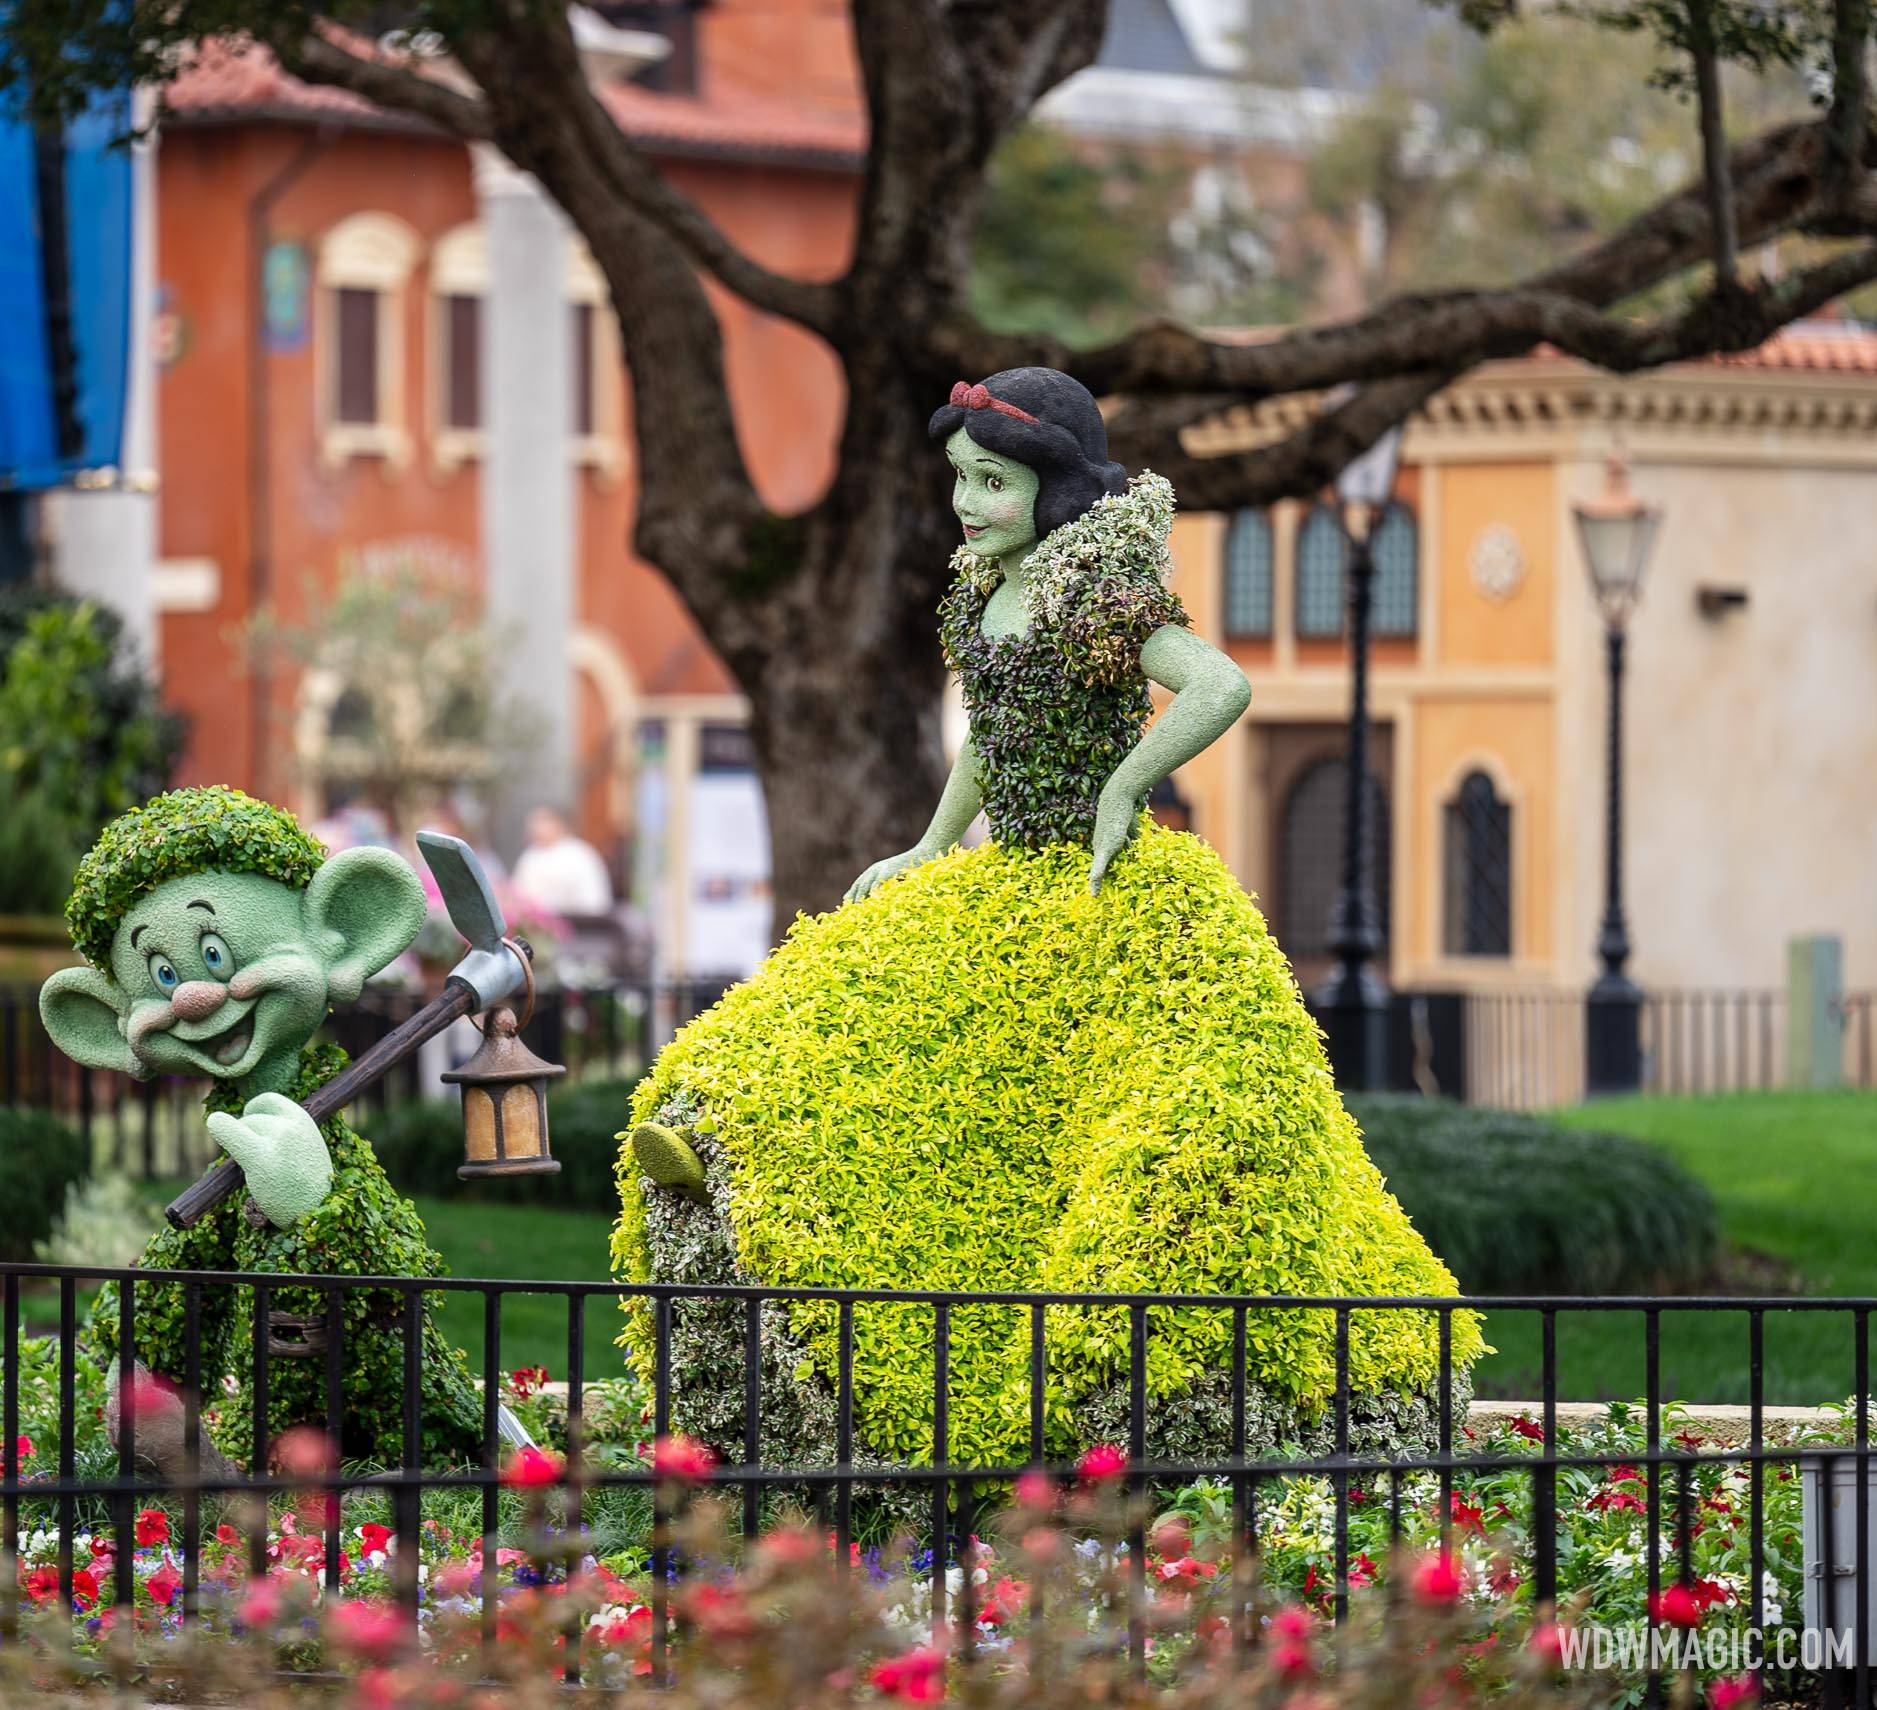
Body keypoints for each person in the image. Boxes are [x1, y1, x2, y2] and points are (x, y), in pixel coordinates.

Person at [612, 368, 1478, 1484]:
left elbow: (1216, 687)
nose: (968, 504)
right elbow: (989, 735)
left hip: (1107, 896)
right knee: (842, 1012)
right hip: (1000, 886)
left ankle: (1107, 1379)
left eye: (991, 482)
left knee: (1143, 1113)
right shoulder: (982, 595)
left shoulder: (1093, 589)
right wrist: (929, 846)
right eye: (960, 482)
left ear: (1053, 488)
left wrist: (1125, 786)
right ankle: (742, 1173)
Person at [510, 805, 614, 918]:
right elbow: (518, 893)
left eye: (543, 820)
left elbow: (592, 901)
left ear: (559, 823)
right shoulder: (530, 856)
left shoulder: (579, 854)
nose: (536, 827)